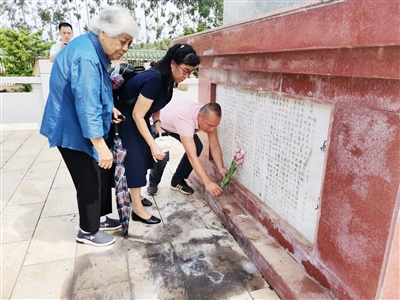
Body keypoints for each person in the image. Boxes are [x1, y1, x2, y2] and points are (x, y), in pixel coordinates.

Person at [40, 6, 139, 247]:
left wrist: (110, 108)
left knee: (101, 173)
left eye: (129, 43)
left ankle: (100, 218)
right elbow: (85, 103)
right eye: (122, 41)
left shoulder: (91, 47)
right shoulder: (86, 56)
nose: (125, 48)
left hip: (78, 121)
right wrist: (99, 145)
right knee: (89, 178)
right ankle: (87, 231)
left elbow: (96, 91)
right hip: (71, 128)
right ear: (104, 33)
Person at [113, 44, 201, 225]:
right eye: (185, 70)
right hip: (127, 119)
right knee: (135, 160)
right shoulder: (154, 78)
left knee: (142, 158)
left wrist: (158, 124)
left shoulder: (167, 80)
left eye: (190, 72)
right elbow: (137, 114)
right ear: (172, 63)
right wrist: (153, 145)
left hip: (139, 117)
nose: (186, 76)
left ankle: (135, 196)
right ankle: (137, 209)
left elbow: (156, 104)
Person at [147, 99, 227, 198]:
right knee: (162, 154)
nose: (212, 129)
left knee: (197, 147)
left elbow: (214, 144)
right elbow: (191, 155)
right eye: (210, 125)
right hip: (159, 123)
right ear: (199, 116)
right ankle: (153, 182)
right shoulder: (185, 119)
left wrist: (220, 167)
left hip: (176, 122)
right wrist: (208, 182)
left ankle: (177, 181)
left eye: (215, 126)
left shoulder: (208, 116)